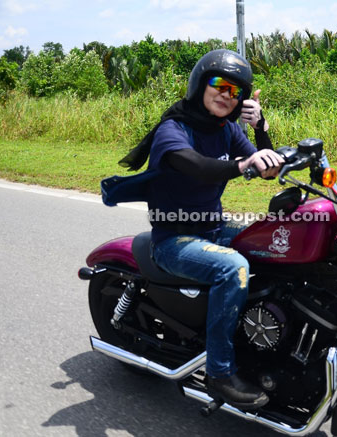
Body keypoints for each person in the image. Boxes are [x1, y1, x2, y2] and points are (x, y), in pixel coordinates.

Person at [119, 49, 284, 410]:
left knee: (270, 241)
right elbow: (197, 166)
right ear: (200, 85)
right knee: (233, 268)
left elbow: (267, 169)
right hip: (173, 239)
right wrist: (245, 164)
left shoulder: (226, 129)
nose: (226, 94)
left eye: (235, 91)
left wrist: (261, 131)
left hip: (211, 228)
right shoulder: (172, 129)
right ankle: (220, 372)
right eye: (219, 85)